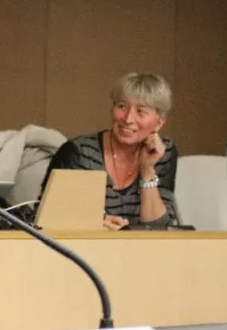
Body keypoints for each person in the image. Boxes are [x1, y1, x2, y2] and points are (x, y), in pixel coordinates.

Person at [41, 72, 177, 230]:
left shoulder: (162, 153)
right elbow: (44, 219)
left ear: (159, 123)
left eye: (141, 111)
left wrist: (147, 170)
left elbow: (158, 229)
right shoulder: (79, 153)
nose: (128, 119)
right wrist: (91, 225)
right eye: (122, 107)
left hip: (140, 251)